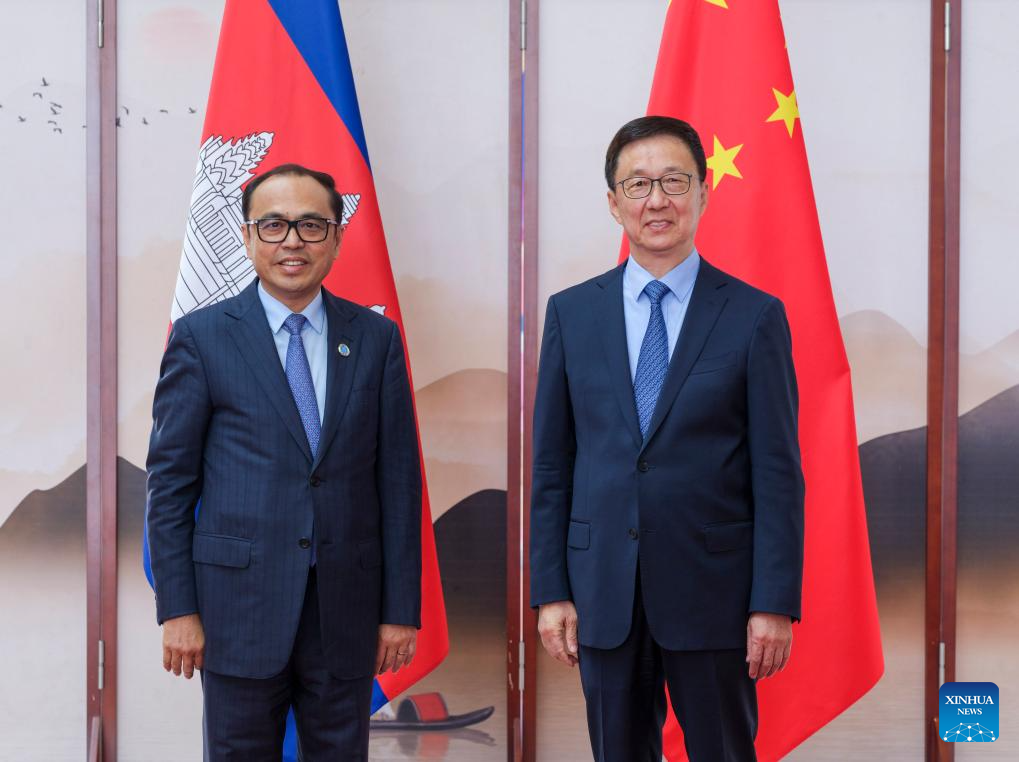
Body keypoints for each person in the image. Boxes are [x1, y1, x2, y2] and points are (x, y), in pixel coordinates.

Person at [530, 116, 804, 762]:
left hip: (714, 593)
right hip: (601, 592)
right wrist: (551, 591)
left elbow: (776, 471)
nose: (656, 200)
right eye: (637, 184)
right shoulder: (572, 313)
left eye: (673, 181)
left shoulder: (752, 315)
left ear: (704, 194)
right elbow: (551, 466)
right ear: (613, 203)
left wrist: (772, 602)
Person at [146, 163, 422, 760]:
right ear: (247, 238)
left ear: (337, 237)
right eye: (272, 225)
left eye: (310, 225)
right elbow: (169, 485)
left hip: (346, 611)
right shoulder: (202, 337)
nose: (291, 241)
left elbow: (398, 484)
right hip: (235, 612)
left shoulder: (375, 339)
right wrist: (179, 609)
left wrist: (400, 610)